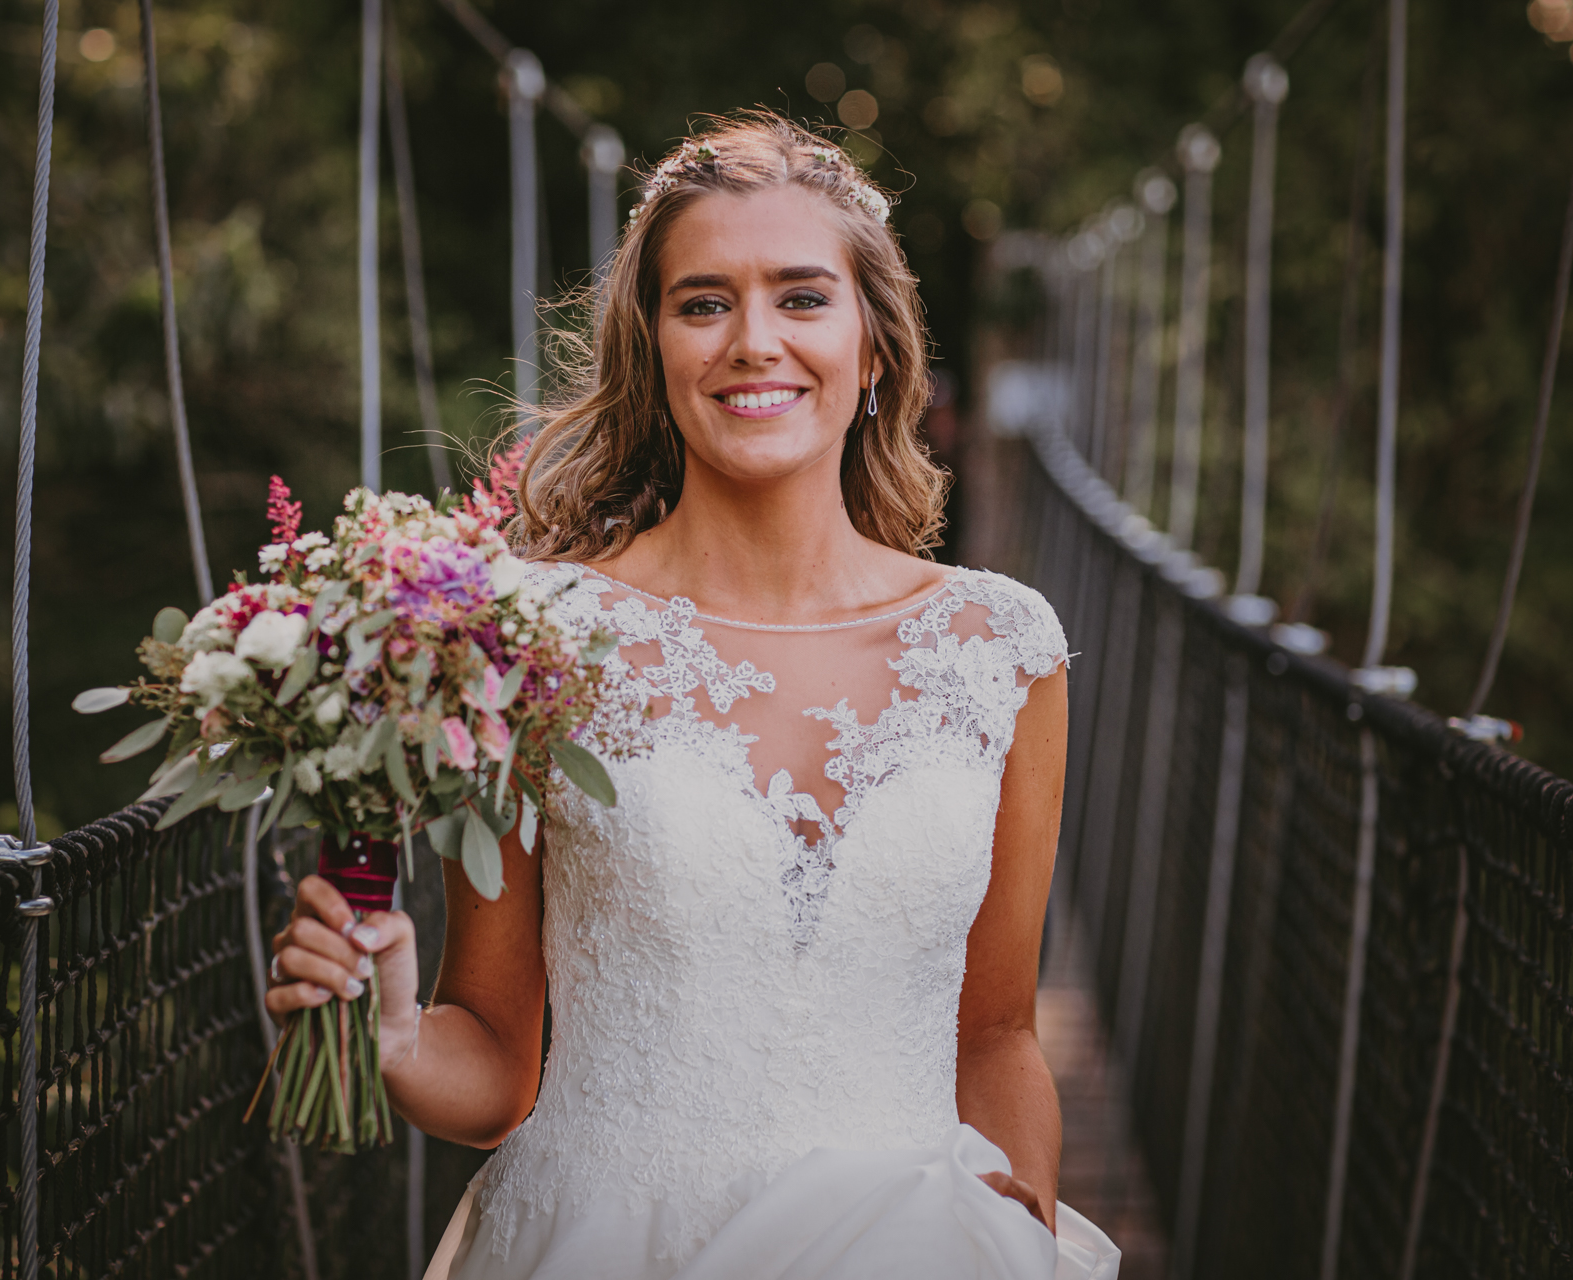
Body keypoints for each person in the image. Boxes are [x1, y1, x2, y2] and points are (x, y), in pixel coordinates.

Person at [266, 112, 1120, 1280]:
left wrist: (1017, 1228)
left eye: (803, 297)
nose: (752, 341)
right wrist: (390, 1026)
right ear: (654, 348)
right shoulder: (532, 638)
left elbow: (1001, 1030)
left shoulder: (1001, 648)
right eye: (704, 301)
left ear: (874, 348)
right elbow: (493, 1070)